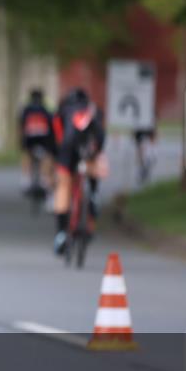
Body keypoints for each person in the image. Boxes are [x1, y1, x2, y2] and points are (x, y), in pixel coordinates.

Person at [51, 87, 108, 255]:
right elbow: (101, 134)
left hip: (68, 148)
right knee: (92, 171)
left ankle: (61, 233)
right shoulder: (94, 109)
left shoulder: (64, 110)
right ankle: (94, 196)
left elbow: (58, 136)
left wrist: (58, 157)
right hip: (92, 146)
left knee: (63, 186)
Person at [18, 88, 55, 192]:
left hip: (29, 139)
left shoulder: (26, 109)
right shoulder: (46, 109)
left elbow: (21, 125)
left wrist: (21, 141)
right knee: (47, 155)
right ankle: (45, 179)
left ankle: (26, 179)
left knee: (26, 154)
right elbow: (51, 125)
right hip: (44, 139)